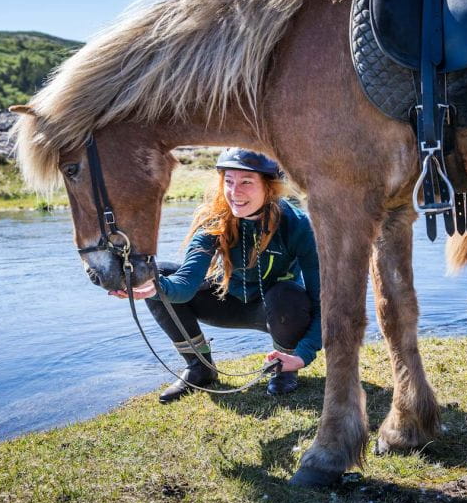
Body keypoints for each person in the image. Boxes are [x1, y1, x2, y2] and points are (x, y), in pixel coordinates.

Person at [109, 148, 321, 403]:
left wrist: (303, 354)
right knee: (160, 274)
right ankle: (200, 368)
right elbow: (186, 283)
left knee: (289, 295)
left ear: (270, 187)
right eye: (229, 182)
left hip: (278, 309)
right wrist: (154, 287)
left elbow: (325, 301)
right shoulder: (214, 219)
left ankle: (284, 366)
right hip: (226, 300)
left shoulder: (298, 226)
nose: (235, 192)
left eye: (246, 182)